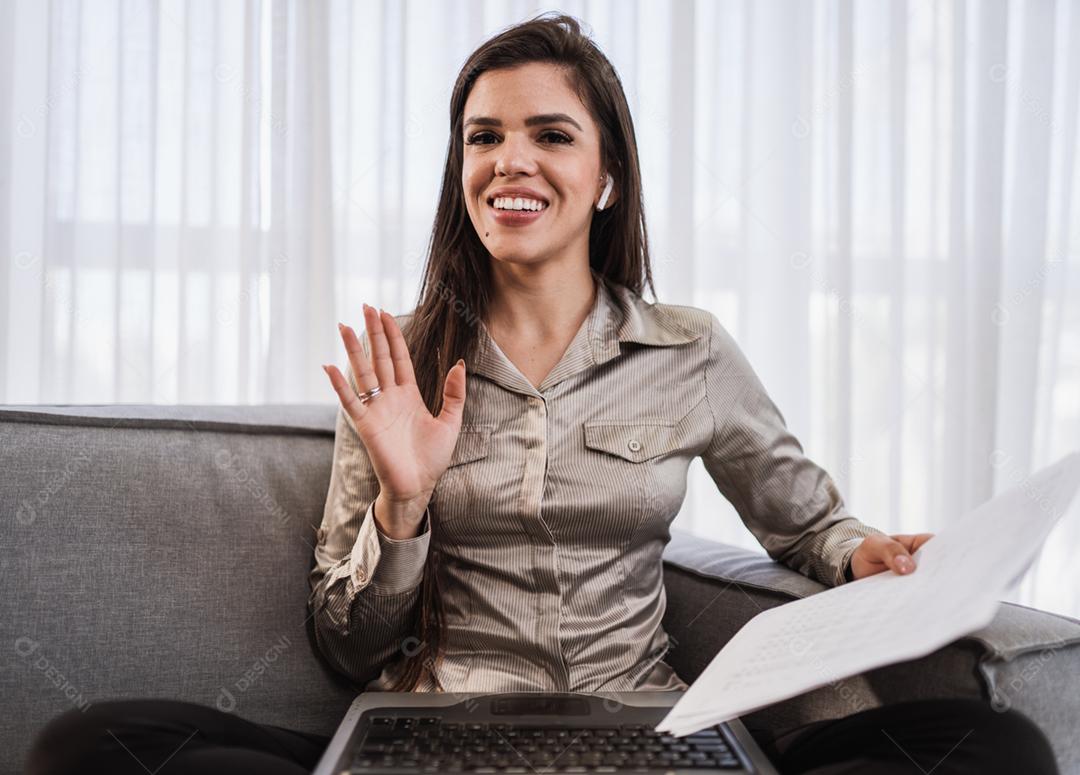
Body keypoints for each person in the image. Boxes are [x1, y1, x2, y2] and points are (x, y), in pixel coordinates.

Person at [24, 13, 1059, 775]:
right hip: (438, 735)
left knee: (998, 742)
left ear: (607, 174)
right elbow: (345, 646)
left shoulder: (690, 349)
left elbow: (809, 523)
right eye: (483, 136)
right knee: (91, 744)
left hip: (647, 730)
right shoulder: (402, 365)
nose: (508, 161)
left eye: (550, 134)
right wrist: (403, 502)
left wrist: (859, 552)